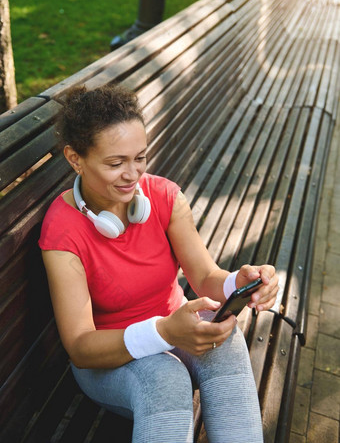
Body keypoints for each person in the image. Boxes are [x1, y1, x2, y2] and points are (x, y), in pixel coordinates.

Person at [39, 84, 278, 443]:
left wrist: (240, 283)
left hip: (173, 328)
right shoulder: (62, 231)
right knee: (165, 378)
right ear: (75, 159)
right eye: (116, 163)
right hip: (110, 360)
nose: (133, 175)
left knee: (224, 342)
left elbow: (204, 275)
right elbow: (80, 346)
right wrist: (164, 332)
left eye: (140, 158)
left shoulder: (163, 196)